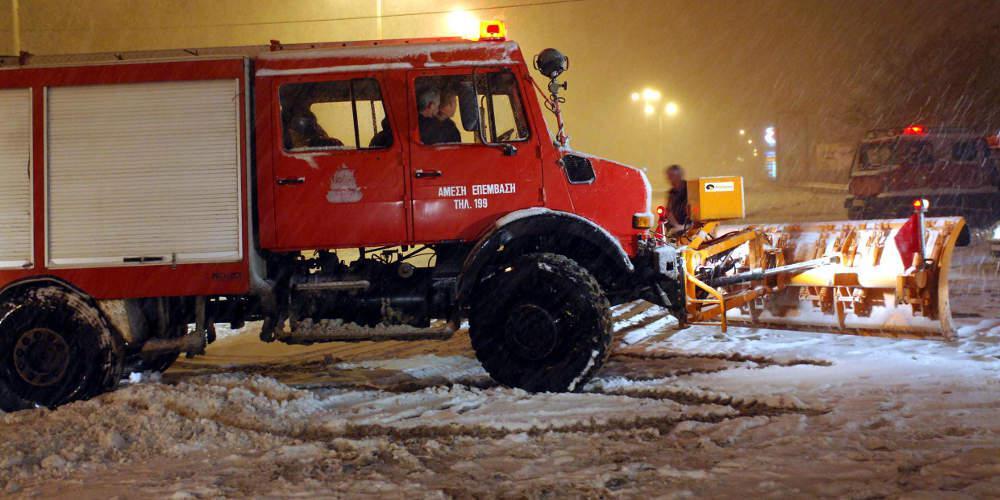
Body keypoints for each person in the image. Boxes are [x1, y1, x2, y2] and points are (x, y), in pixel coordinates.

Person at [665, 164, 690, 233]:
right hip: (677, 228)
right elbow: (668, 211)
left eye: (672, 176)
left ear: (679, 176)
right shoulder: (672, 192)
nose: (669, 179)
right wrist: (676, 226)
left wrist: (684, 227)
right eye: (668, 176)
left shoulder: (689, 189)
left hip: (689, 227)